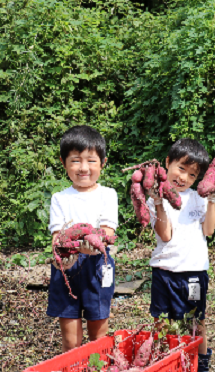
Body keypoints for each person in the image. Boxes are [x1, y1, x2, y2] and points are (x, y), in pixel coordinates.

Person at [147, 138, 215, 372]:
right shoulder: (153, 199)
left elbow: (208, 230)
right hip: (164, 271)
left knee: (196, 321)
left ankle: (200, 366)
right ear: (167, 163)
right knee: (161, 321)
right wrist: (159, 202)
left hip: (193, 272)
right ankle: (164, 362)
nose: (184, 178)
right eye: (181, 169)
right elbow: (166, 235)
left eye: (192, 175)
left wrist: (212, 199)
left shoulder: (198, 197)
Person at [48, 125, 118, 352]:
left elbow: (107, 233)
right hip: (66, 268)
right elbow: (57, 238)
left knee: (98, 335)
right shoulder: (59, 198)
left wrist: (94, 244)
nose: (83, 168)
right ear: (63, 162)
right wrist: (64, 255)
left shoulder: (108, 194)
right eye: (76, 160)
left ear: (103, 163)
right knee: (71, 341)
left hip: (98, 265)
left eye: (91, 161)